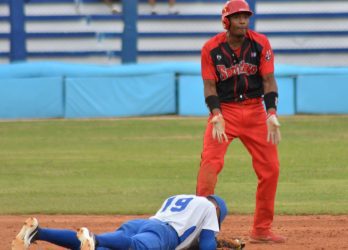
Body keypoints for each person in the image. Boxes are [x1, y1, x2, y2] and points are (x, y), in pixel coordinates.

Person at [196, 0, 285, 244]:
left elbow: (268, 80)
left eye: (246, 16)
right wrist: (215, 114)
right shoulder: (211, 49)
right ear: (226, 21)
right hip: (225, 112)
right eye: (237, 17)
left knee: (271, 169)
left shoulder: (260, 43)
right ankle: (199, 228)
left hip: (256, 111)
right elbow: (209, 86)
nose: (243, 21)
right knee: (210, 164)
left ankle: (261, 229)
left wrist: (272, 113)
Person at [11, 194, 227, 250]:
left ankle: (38, 232)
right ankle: (93, 238)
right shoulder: (210, 208)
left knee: (105, 246)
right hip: (163, 233)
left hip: (142, 224)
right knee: (136, 247)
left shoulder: (179, 198)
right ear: (217, 209)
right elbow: (207, 242)